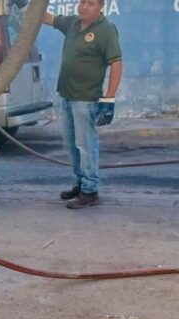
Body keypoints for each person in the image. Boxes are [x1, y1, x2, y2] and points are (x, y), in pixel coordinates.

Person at [43, 0, 123, 209]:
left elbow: (116, 63)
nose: (84, 7)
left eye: (91, 3)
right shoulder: (72, 23)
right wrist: (25, 7)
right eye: (82, 2)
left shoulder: (106, 30)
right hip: (67, 96)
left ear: (101, 6)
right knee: (72, 145)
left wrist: (109, 98)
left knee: (86, 146)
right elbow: (48, 18)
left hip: (85, 99)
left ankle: (90, 191)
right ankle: (81, 183)